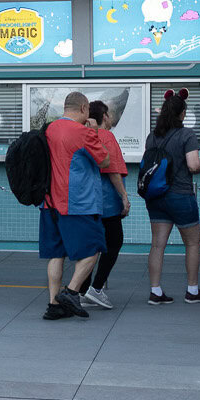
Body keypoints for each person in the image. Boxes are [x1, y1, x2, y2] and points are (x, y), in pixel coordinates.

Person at [42, 90, 112, 320]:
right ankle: (71, 292)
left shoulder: (49, 129)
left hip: (49, 203)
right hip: (78, 203)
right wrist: (94, 131)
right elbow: (104, 160)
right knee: (95, 249)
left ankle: (53, 305)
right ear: (83, 108)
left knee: (57, 254)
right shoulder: (83, 132)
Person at [140, 88, 200, 305]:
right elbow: (192, 165)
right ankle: (192, 290)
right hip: (180, 195)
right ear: (182, 114)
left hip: (156, 197)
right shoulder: (186, 135)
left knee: (157, 245)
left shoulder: (152, 137)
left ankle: (155, 291)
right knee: (192, 243)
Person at [82, 98, 130, 309]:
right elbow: (113, 171)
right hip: (107, 202)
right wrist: (124, 197)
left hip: (86, 201)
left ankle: (81, 290)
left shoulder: (84, 136)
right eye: (109, 114)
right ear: (104, 117)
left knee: (90, 246)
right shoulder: (106, 136)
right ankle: (96, 288)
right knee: (114, 242)